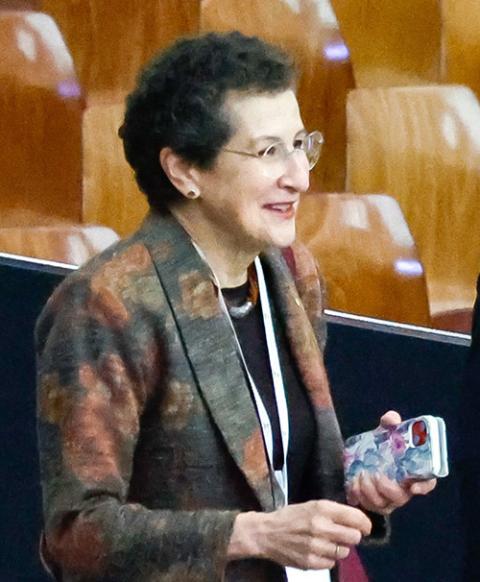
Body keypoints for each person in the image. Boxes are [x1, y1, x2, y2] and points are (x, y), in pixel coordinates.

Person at [35, 31, 435, 581]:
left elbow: (277, 478)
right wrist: (252, 534)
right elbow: (77, 535)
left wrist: (361, 490)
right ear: (185, 172)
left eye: (300, 144)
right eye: (269, 151)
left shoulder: (293, 272)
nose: (299, 176)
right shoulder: (107, 305)